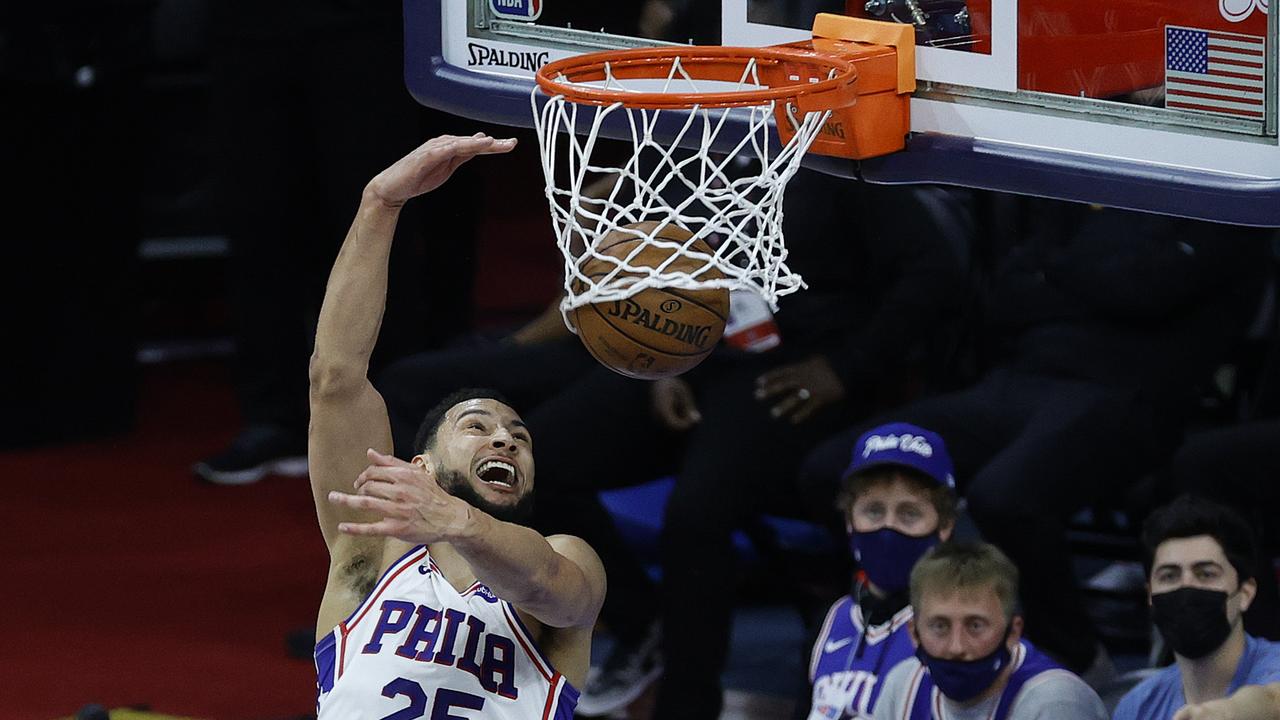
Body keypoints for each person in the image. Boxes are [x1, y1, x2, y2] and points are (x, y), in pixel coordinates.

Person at [524, 172, 975, 718]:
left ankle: (687, 705)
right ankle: (644, 620)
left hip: (796, 378)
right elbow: (662, 276)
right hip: (698, 360)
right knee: (533, 459)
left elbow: (934, 274)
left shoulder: (837, 156)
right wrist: (664, 363)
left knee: (696, 511)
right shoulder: (696, 146)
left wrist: (847, 368)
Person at [801, 199, 1272, 677]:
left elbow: (1150, 289)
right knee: (835, 469)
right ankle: (902, 626)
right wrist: (1105, 281)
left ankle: (1078, 659)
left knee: (1006, 496)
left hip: (1127, 396)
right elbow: (1005, 297)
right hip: (1014, 383)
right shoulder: (1080, 195)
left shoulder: (1226, 201)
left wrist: (1062, 273)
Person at [307, 133, 606, 718]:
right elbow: (335, 377)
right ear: (420, 468)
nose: (504, 439)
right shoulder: (369, 551)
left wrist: (461, 522)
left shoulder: (565, 556)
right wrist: (379, 203)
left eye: (520, 437)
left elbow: (551, 586)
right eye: (477, 426)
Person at [194, 0, 478, 484]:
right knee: (256, 221)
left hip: (367, 26)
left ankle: (394, 422)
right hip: (248, 30)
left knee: (379, 213)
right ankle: (273, 416)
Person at [808, 422, 959, 719]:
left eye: (909, 513)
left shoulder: (964, 634)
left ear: (945, 526)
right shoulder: (829, 622)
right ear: (850, 520)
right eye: (874, 511)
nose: (888, 528)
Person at [873, 542, 1108, 720]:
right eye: (940, 626)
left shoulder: (1056, 702)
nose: (957, 647)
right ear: (914, 633)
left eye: (975, 626)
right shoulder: (904, 684)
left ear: (1013, 632)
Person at [1112, 495, 1280, 720]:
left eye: (1206, 574)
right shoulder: (1138, 706)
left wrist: (1226, 713)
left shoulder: (1273, 665)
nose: (1187, 586)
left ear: (1246, 593)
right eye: (1169, 576)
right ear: (1150, 594)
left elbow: (1272, 699)